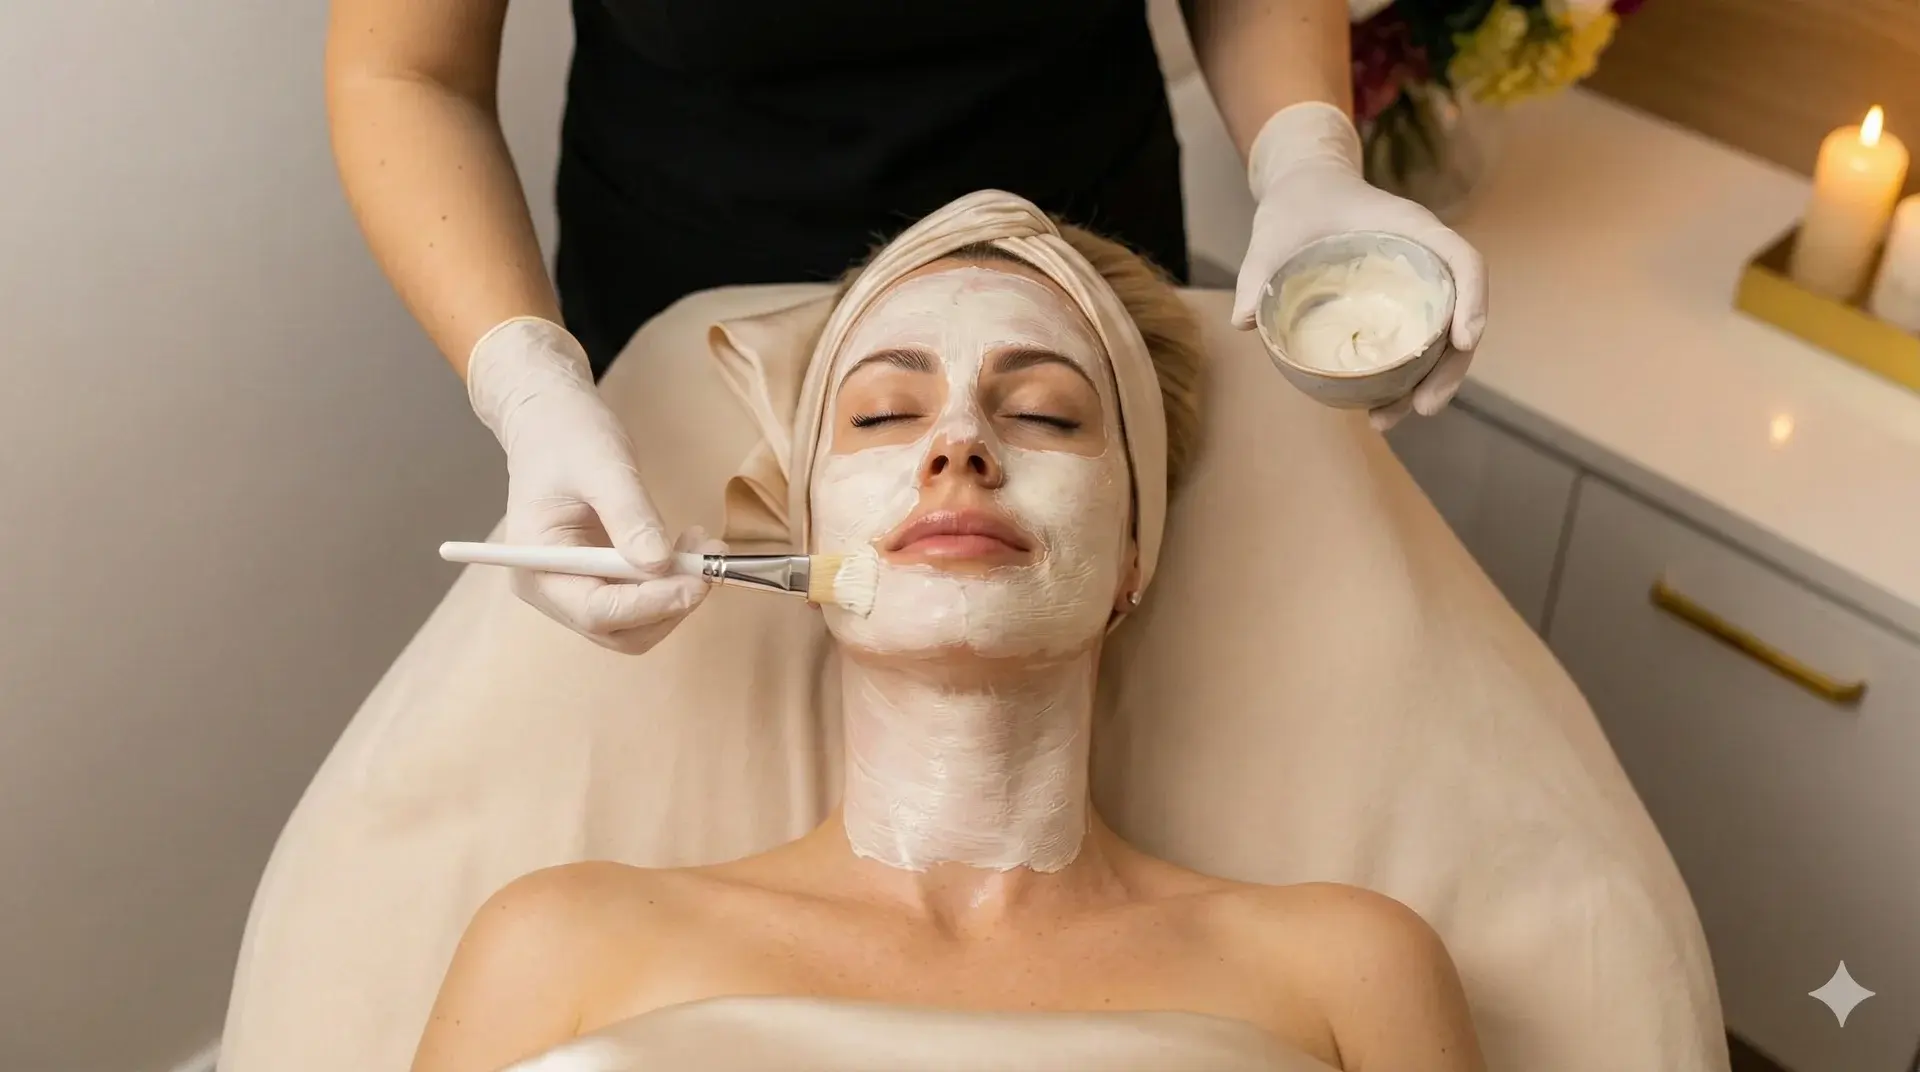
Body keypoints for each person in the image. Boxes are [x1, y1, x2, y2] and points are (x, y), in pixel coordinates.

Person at [406, 193, 1485, 1072]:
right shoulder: (558, 941)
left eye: (1049, 414)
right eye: (882, 413)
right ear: (807, 529)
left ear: (1129, 556)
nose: (958, 443)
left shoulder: (1349, 970)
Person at [324, 0, 1490, 657]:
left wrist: (1305, 154)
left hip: (1078, 257)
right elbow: (403, 72)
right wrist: (523, 373)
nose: (956, 447)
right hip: (694, 305)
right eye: (889, 413)